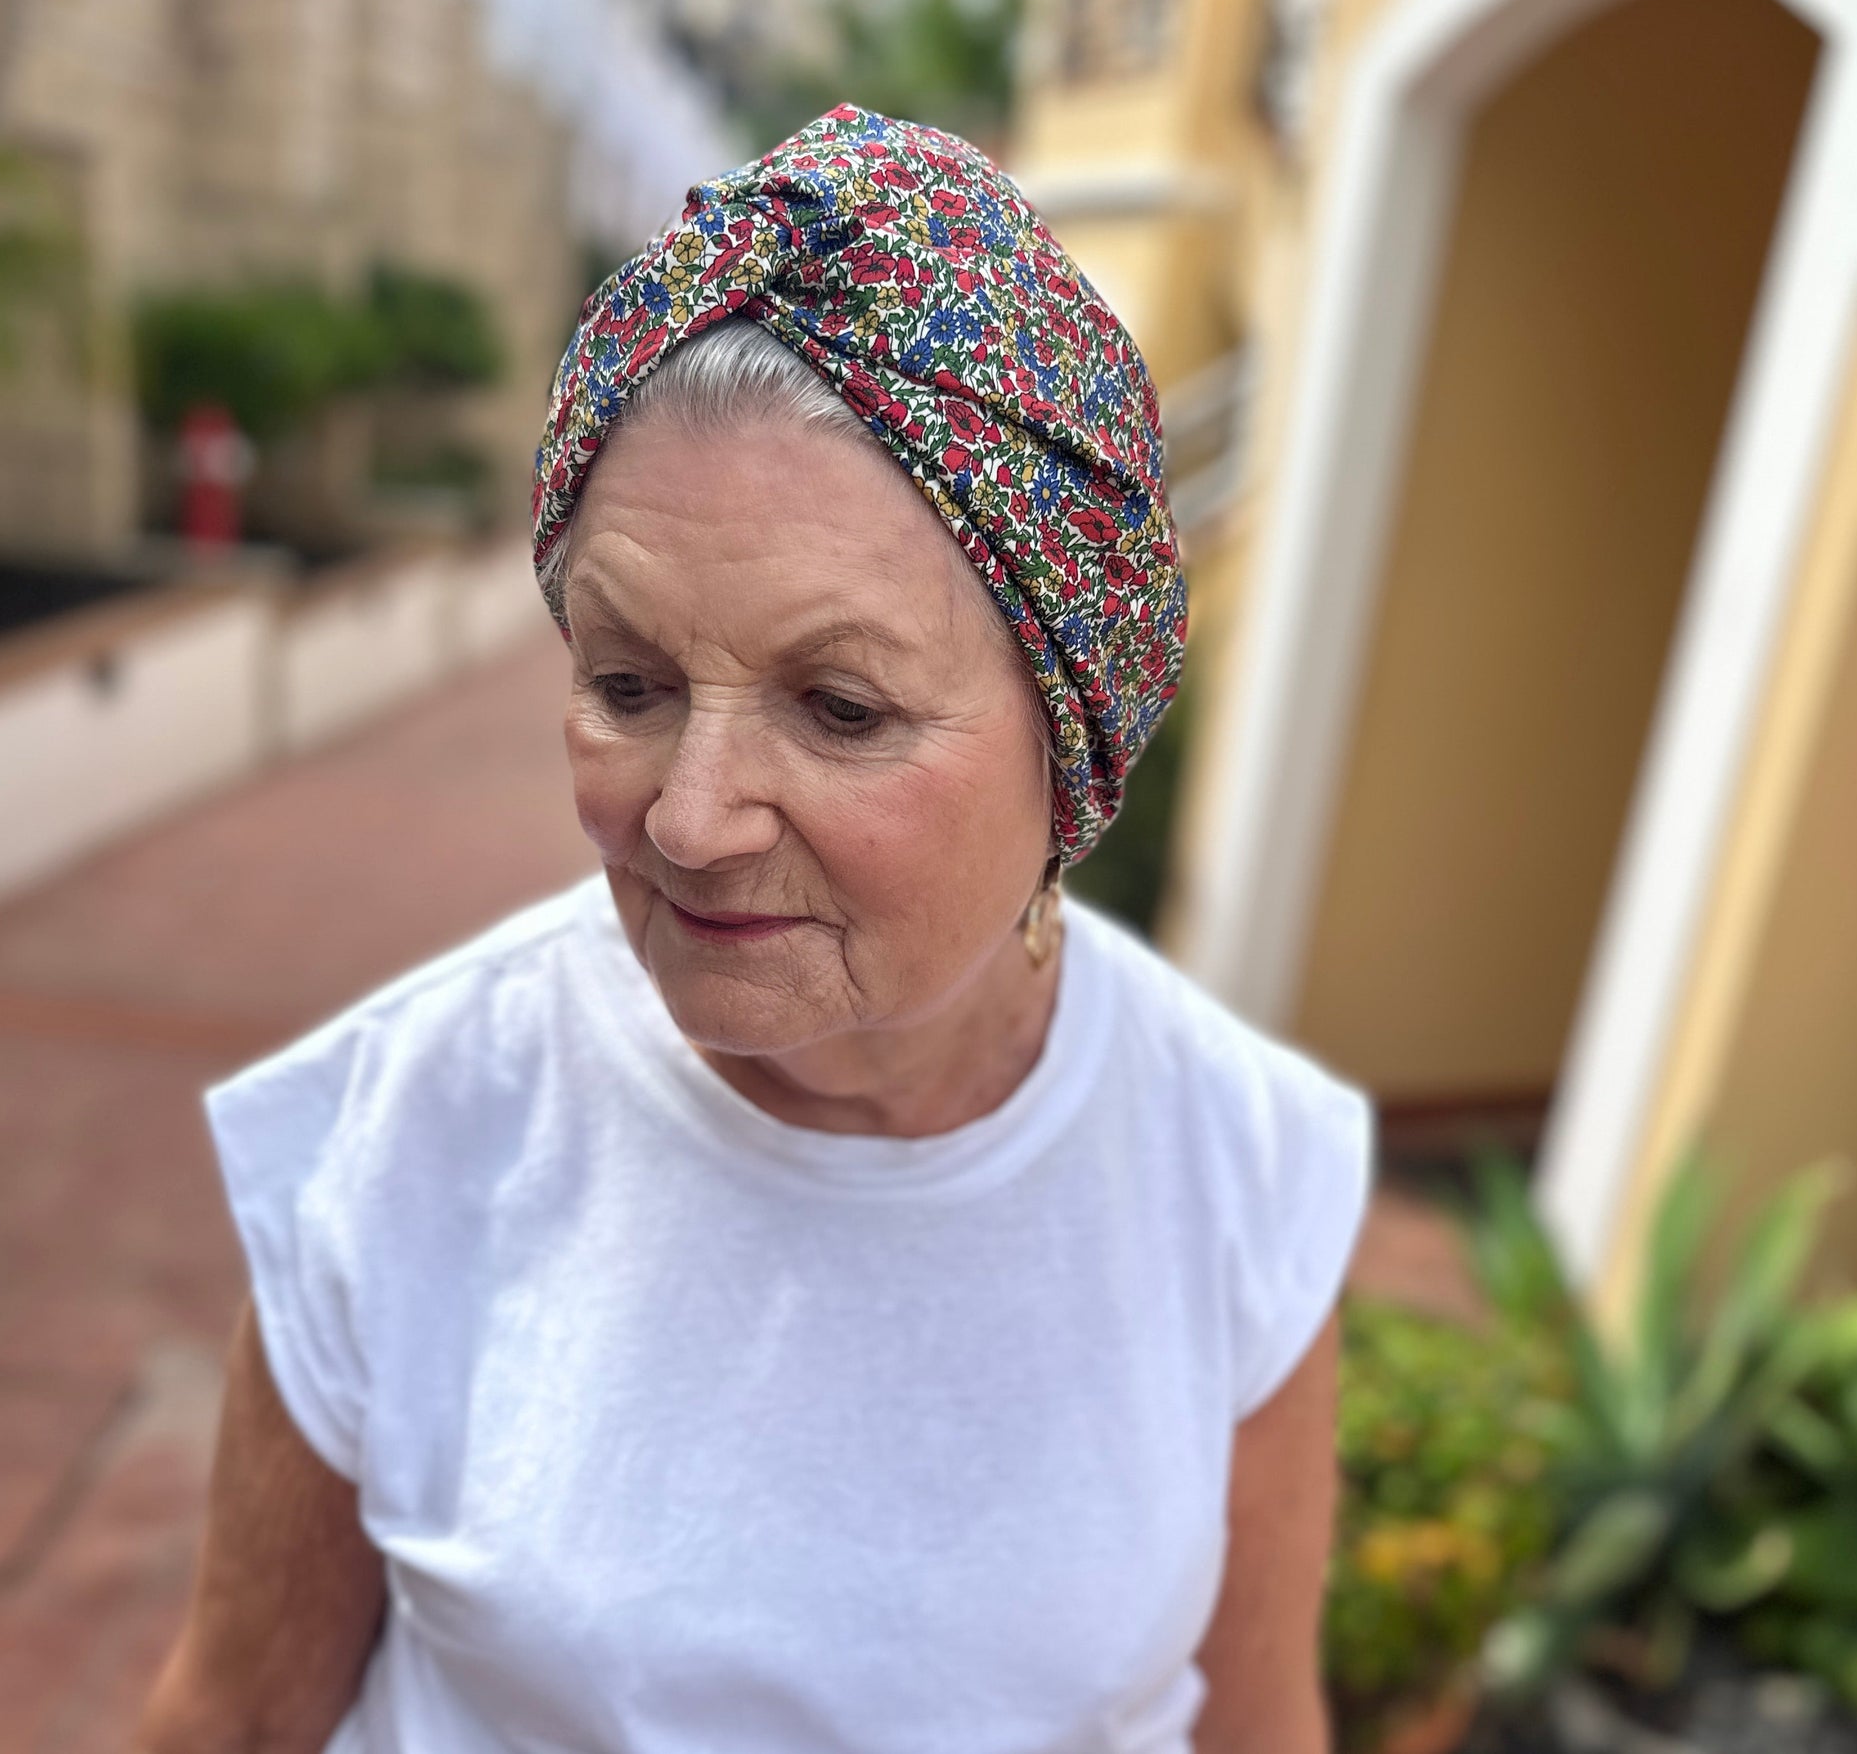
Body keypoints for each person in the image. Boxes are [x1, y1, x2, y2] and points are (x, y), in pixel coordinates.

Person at [139, 104, 1372, 1754]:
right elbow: (228, 1717)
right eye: (628, 685)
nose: (689, 814)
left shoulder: (1234, 1165)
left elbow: (1257, 1726)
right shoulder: (414, 1125)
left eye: (842, 704)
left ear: (1074, 738)